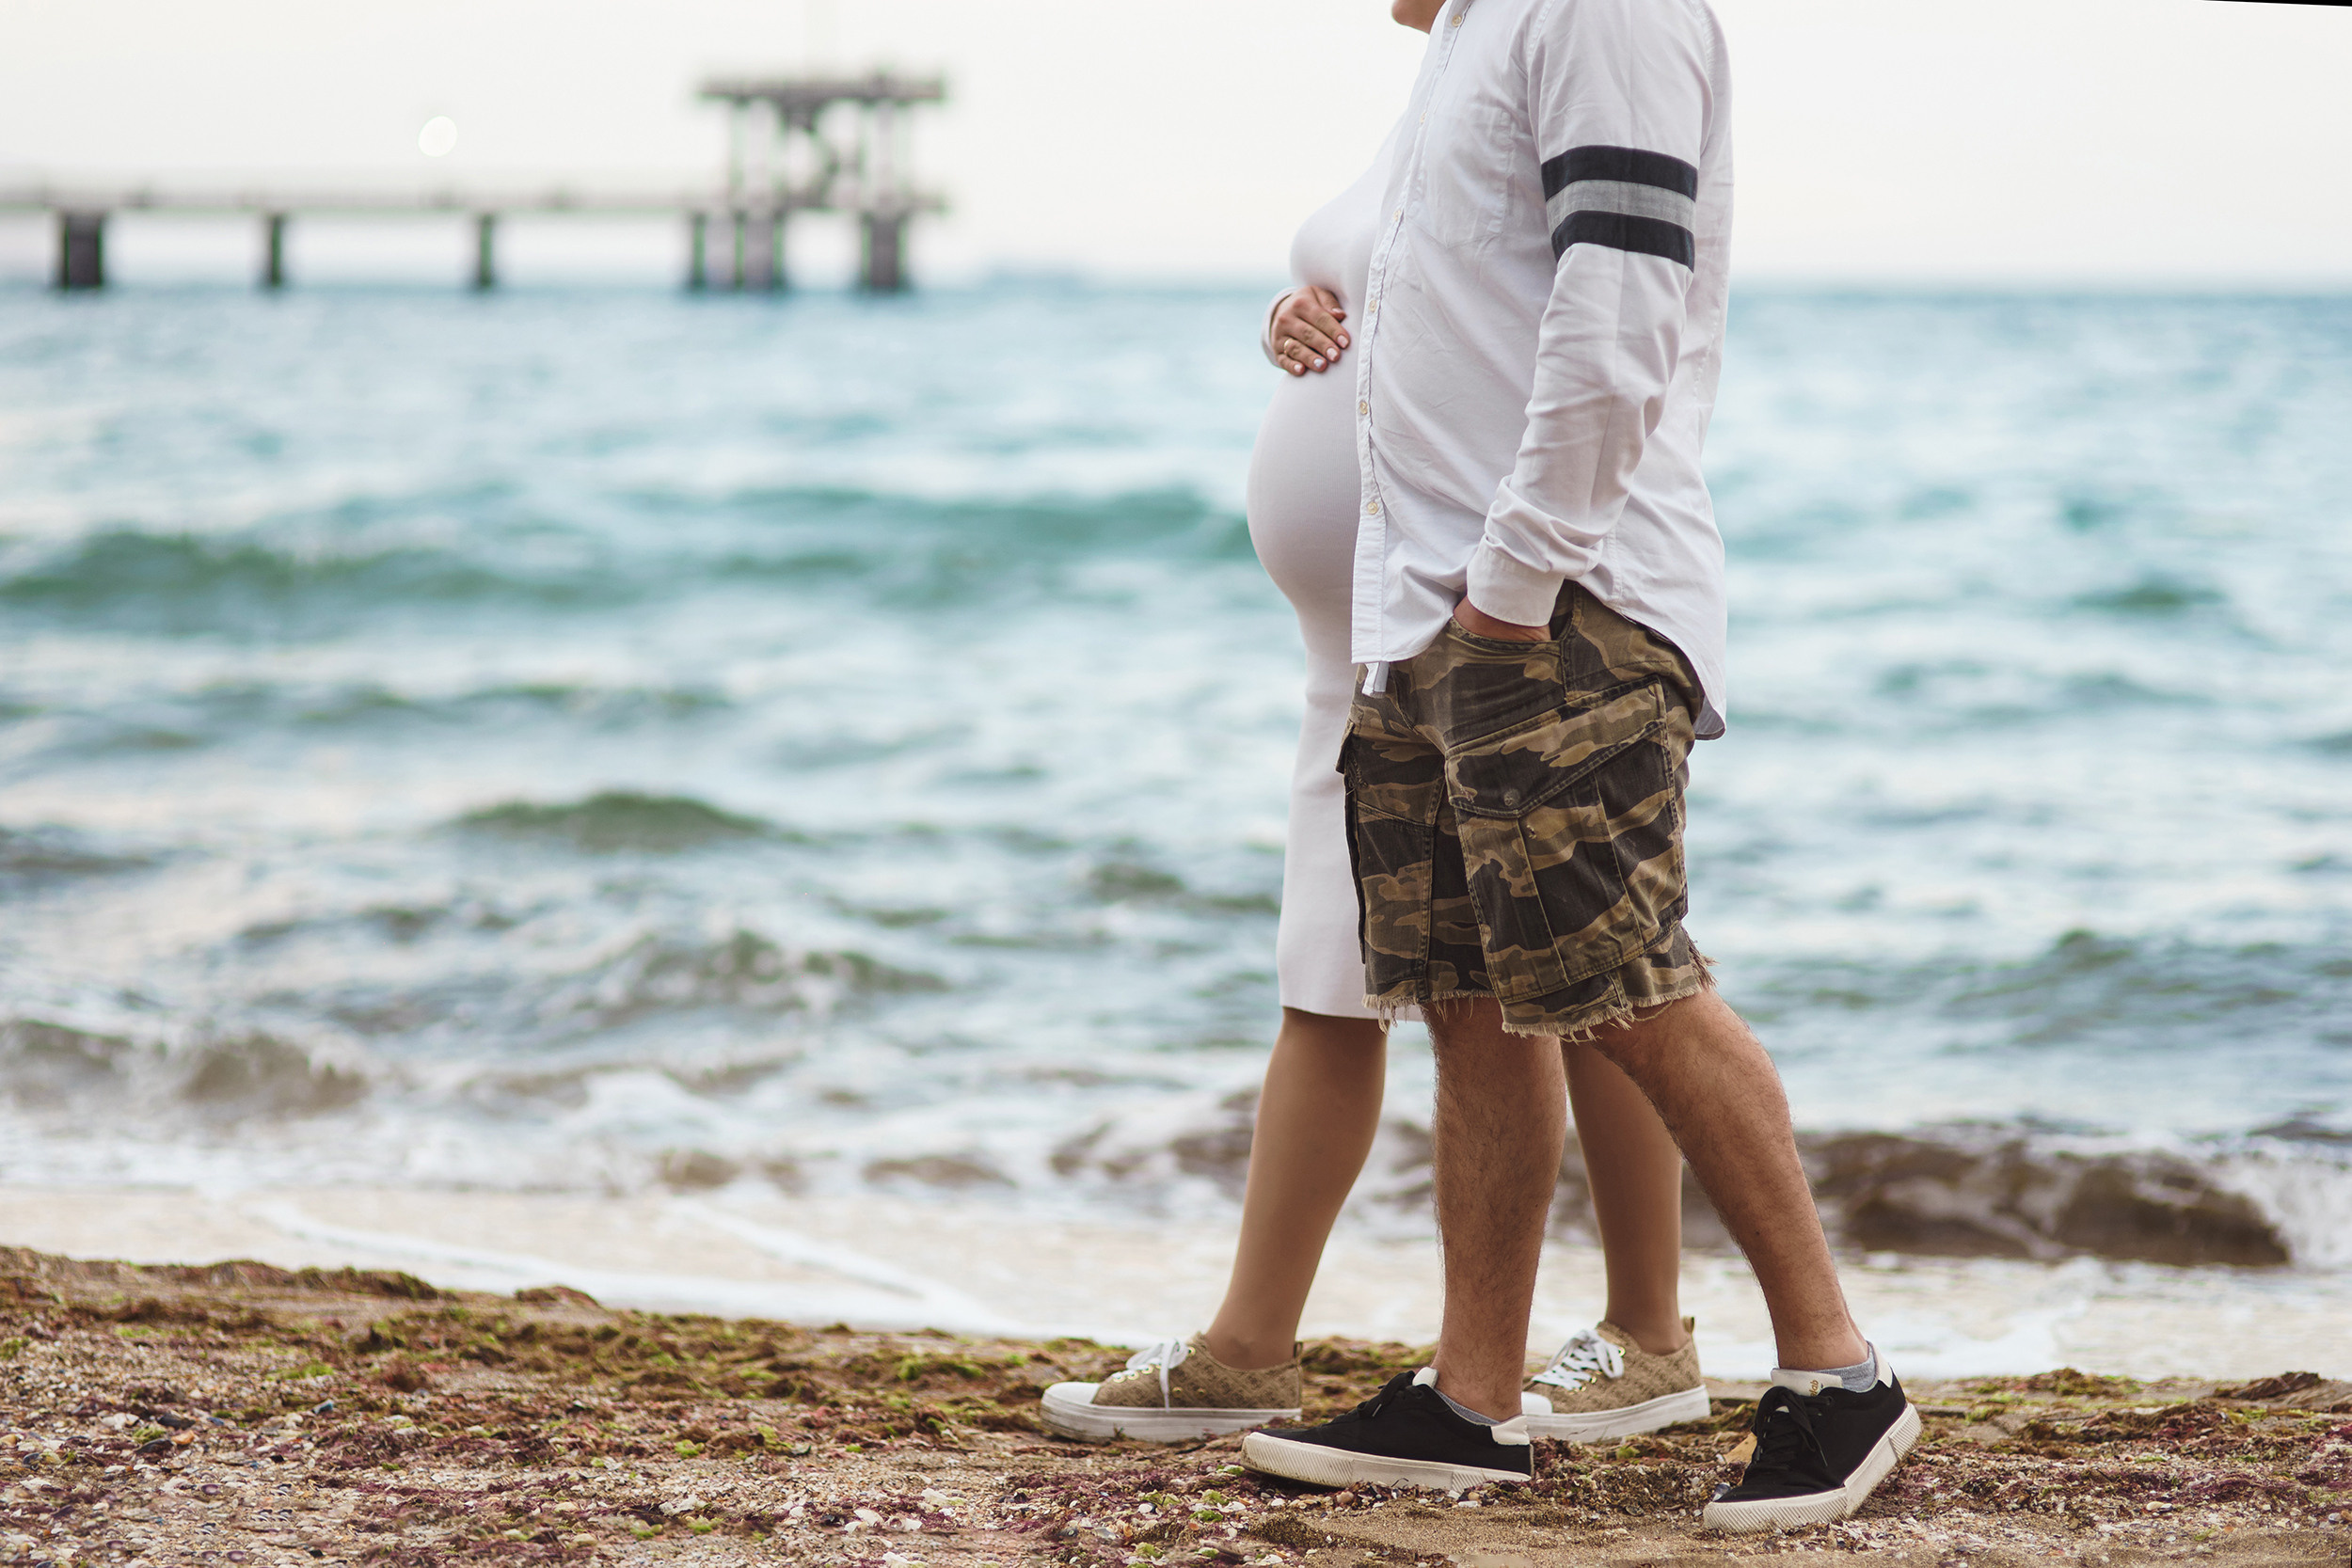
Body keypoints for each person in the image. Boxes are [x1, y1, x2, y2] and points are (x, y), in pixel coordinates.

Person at [1229, 0, 1919, 1534]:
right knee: (1472, 1000)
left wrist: (1513, 592)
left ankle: (1838, 1372)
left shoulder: (1601, 4)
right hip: (1422, 614)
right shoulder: (1471, 37)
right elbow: (1457, 301)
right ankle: (1470, 1400)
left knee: (1626, 981)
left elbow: (1622, 312)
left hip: (1553, 610)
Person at [1039, 0, 1712, 1457]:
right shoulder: (1441, 86)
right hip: (1365, 631)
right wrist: (1299, 321)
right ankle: (1252, 1346)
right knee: (1329, 969)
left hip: (1492, 609)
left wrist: (1513, 590)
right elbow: (1416, 297)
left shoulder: (1576, 32)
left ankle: (1650, 1339)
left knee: (1583, 974)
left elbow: (1607, 313)